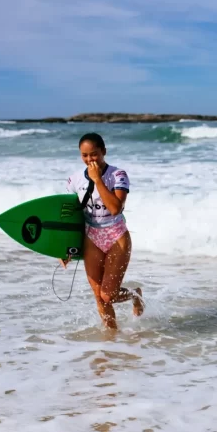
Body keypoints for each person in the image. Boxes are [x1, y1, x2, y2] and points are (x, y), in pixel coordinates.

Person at [61, 132, 143, 330]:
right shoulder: (73, 180)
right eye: (85, 155)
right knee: (99, 296)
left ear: (104, 151)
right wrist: (65, 248)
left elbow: (116, 208)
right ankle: (112, 340)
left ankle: (135, 294)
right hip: (92, 237)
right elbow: (72, 216)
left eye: (94, 154)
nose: (90, 159)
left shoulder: (118, 175)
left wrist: (97, 180)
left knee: (109, 294)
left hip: (116, 236)